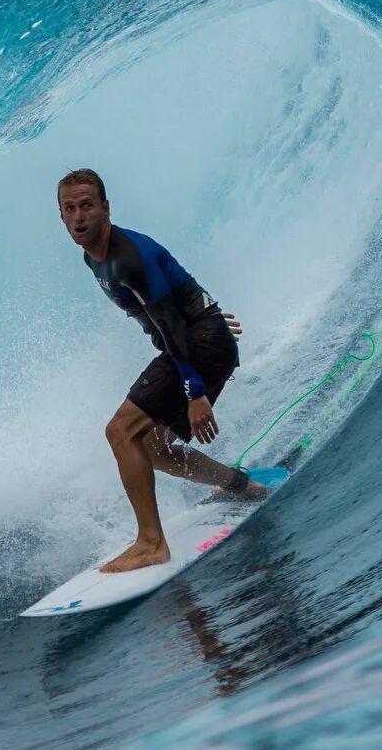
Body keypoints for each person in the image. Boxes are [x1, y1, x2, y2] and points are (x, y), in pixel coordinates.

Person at [58, 168, 265, 573]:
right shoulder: (92, 257)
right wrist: (210, 321)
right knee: (150, 447)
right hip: (200, 338)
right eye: (70, 209)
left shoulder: (126, 258)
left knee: (119, 432)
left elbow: (170, 323)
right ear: (62, 217)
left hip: (194, 344)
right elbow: (174, 294)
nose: (79, 216)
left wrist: (195, 391)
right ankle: (239, 485)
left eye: (87, 206)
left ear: (106, 208)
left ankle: (152, 543)